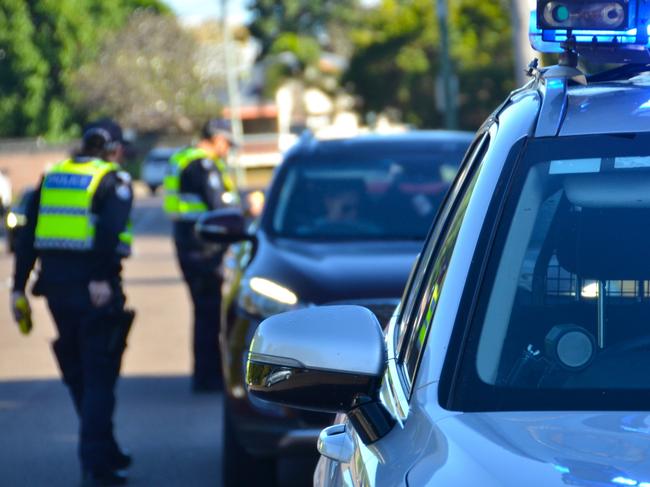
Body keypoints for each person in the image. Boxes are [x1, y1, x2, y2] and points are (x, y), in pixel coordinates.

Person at [10, 119, 135, 486]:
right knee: (99, 376)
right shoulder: (113, 180)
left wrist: (18, 286)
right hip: (94, 291)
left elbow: (27, 237)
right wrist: (99, 277)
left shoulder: (52, 178)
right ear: (113, 149)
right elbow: (110, 232)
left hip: (57, 293)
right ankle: (96, 465)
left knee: (82, 373)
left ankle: (106, 450)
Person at [163, 119, 239, 392]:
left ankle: (204, 374)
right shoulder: (202, 165)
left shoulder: (183, 158)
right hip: (202, 250)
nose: (228, 149)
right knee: (208, 314)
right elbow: (219, 205)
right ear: (217, 139)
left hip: (189, 244)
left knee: (203, 313)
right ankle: (208, 378)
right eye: (227, 143)